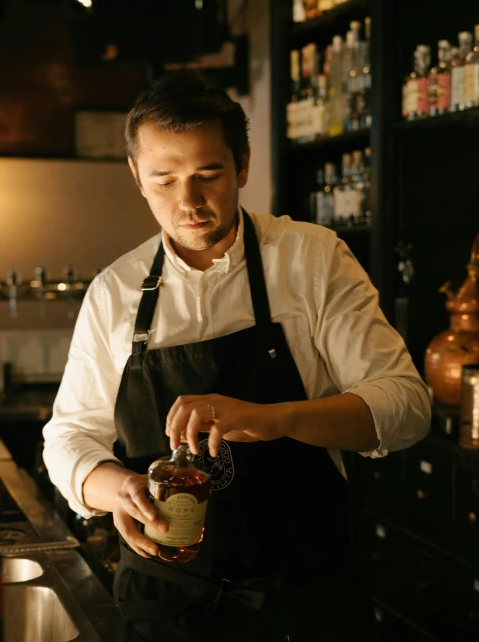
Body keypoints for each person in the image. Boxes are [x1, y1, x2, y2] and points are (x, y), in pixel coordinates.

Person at [43, 70, 431, 641]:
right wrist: (115, 487)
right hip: (164, 606)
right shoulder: (114, 291)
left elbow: (407, 407)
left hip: (302, 600)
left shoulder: (311, 259)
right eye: (164, 180)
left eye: (209, 174)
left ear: (242, 165)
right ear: (137, 177)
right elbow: (68, 436)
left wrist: (274, 418)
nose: (189, 202)